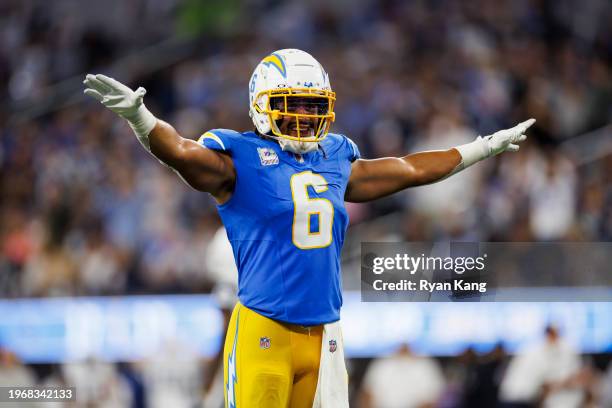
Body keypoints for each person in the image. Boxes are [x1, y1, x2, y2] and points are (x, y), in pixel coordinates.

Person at [83, 48, 535, 408]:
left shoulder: (335, 156)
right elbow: (181, 152)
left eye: (311, 104)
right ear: (262, 106)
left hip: (325, 334)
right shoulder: (238, 157)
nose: (302, 114)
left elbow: (409, 169)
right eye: (290, 104)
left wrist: (480, 149)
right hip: (264, 329)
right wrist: (140, 119)